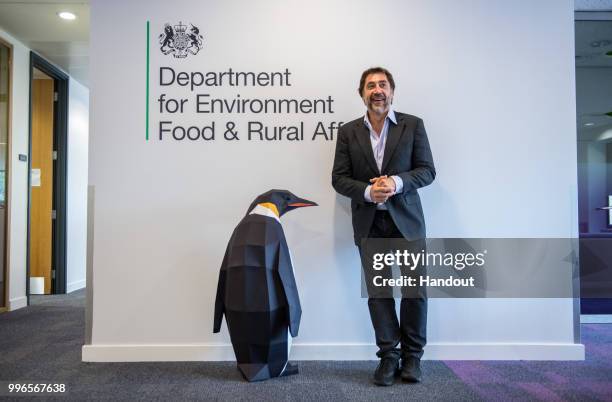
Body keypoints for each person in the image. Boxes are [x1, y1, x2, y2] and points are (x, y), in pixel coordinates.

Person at [331, 67, 436, 386]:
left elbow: (427, 171)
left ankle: (413, 358)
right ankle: (389, 356)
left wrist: (396, 181)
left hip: (407, 225)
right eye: (370, 85)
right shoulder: (348, 131)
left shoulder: (413, 125)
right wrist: (367, 190)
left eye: (383, 85)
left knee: (414, 292)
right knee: (379, 294)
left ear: (392, 91)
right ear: (361, 93)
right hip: (369, 224)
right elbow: (338, 178)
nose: (377, 90)